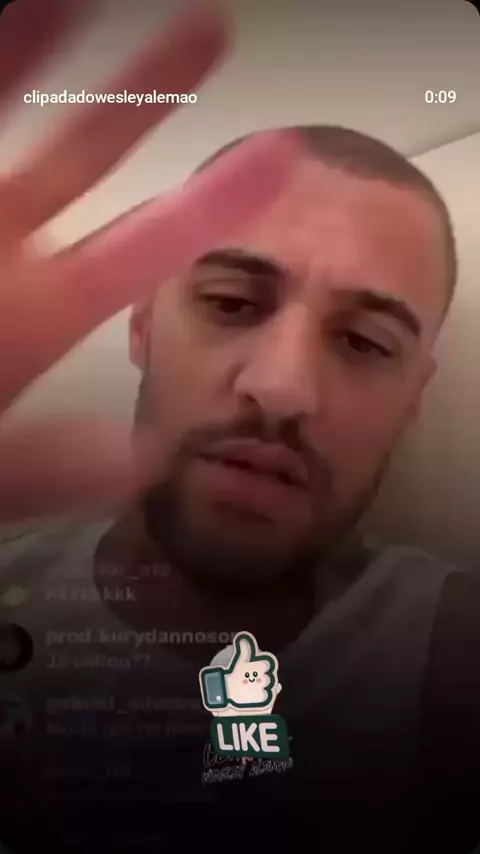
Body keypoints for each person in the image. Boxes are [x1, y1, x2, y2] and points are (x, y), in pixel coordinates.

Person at [0, 0, 479, 852]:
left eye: (365, 343)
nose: (282, 388)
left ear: (415, 396)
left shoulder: (450, 650)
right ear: (143, 326)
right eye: (230, 302)